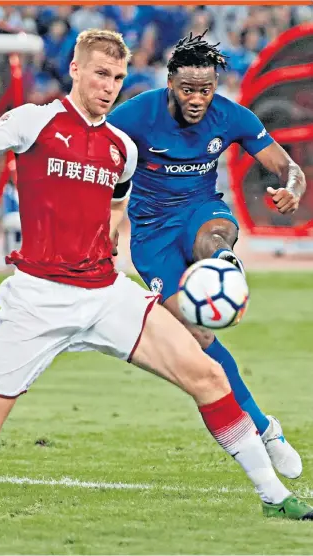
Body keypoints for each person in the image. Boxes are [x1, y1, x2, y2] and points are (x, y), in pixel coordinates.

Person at [0, 29, 311, 521]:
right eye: (100, 74)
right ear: (75, 70)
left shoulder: (120, 147)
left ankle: (274, 497)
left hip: (106, 291)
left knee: (207, 373)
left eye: (116, 77)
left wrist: (111, 229)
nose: (108, 86)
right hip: (40, 299)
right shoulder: (32, 122)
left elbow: (117, 199)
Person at [107, 31, 307, 480]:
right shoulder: (138, 114)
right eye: (188, 89)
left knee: (215, 235)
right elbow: (99, 158)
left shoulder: (230, 116)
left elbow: (285, 165)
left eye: (206, 89)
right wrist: (105, 225)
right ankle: (266, 430)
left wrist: (292, 190)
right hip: (151, 236)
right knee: (198, 340)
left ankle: (223, 266)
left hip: (201, 211)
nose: (197, 99)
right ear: (171, 82)